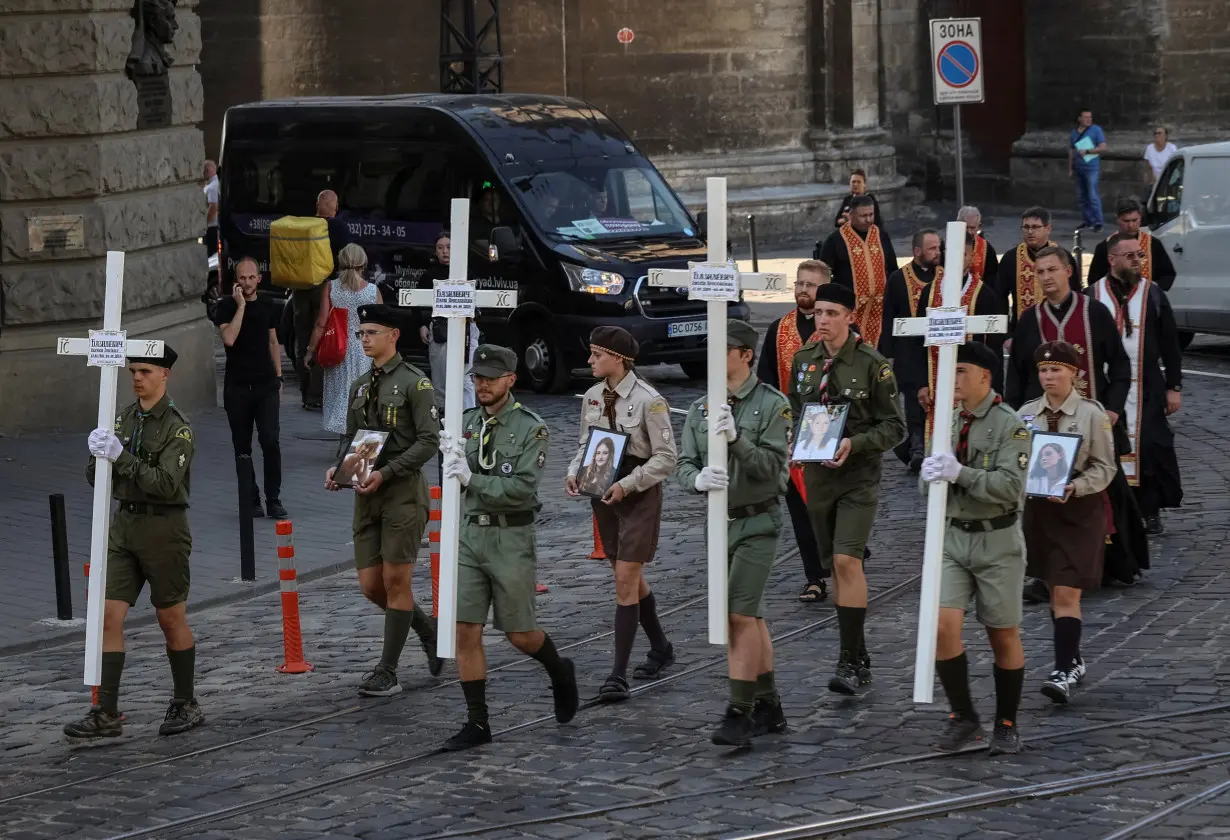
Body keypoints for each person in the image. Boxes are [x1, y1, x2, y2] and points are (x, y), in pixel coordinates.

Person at [436, 345, 579, 750]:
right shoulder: (463, 422)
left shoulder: (531, 428)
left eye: (490, 378)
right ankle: (478, 723)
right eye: (478, 377)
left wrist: (471, 479)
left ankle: (558, 669)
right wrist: (447, 457)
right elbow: (451, 474)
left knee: (520, 634)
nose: (481, 385)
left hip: (510, 537)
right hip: (470, 534)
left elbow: (521, 489)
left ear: (511, 380)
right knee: (466, 629)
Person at [64, 347, 205, 741]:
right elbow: (99, 479)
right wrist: (96, 456)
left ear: (165, 375)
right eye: (133, 372)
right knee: (109, 615)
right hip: (124, 525)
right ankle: (105, 710)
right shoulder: (123, 418)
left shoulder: (178, 428)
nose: (137, 378)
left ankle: (185, 701)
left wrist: (121, 458)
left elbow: (164, 484)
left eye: (144, 371)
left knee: (170, 618)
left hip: (164, 530)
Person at [1005, 245, 1145, 597]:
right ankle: (1046, 572)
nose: (1046, 278)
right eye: (1039, 272)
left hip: (1091, 420)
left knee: (1105, 492)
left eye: (1052, 270)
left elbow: (1121, 366)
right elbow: (1017, 378)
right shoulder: (1028, 321)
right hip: (1044, 427)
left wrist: (1112, 409)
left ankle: (1112, 563)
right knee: (1042, 502)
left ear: (1069, 271)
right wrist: (1016, 421)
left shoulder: (1094, 313)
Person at [677, 320, 791, 746]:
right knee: (751, 616)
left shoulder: (771, 404)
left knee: (738, 616)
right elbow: (684, 464)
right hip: (718, 522)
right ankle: (769, 704)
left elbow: (771, 468)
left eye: (723, 349)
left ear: (745, 354)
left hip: (758, 521)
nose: (714, 357)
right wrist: (697, 479)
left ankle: (739, 711)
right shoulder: (700, 408)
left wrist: (738, 439)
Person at [787, 283, 905, 695]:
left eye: (832, 313)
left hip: (858, 476)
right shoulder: (804, 361)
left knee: (847, 560)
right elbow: (795, 412)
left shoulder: (872, 364)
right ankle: (860, 653)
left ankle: (849, 660)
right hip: (818, 478)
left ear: (850, 316)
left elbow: (895, 426)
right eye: (818, 312)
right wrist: (794, 443)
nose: (822, 320)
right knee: (833, 567)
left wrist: (855, 443)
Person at [324, 304, 442, 695]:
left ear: (394, 335)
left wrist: (386, 473)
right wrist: (339, 469)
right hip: (367, 494)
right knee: (371, 585)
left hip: (402, 492)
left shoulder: (415, 383)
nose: (365, 339)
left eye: (372, 332)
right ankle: (428, 632)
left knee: (396, 580)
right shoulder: (360, 384)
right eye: (361, 333)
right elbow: (352, 437)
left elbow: (428, 441)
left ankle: (387, 671)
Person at [920, 341, 1029, 756]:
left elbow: (1010, 487)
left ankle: (1006, 721)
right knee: (941, 626)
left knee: (1002, 634)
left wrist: (960, 473)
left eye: (961, 370)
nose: (954, 379)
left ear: (985, 376)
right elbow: (931, 481)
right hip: (953, 537)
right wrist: (929, 475)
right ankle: (963, 715)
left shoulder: (1009, 425)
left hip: (997, 540)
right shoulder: (947, 421)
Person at [566, 326, 677, 702]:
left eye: (596, 355)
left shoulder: (650, 400)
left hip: (637, 491)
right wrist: (574, 472)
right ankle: (661, 646)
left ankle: (618, 676)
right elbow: (586, 442)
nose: (590, 361)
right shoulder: (594, 396)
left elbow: (665, 457)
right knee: (625, 574)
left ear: (618, 358)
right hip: (603, 490)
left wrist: (629, 484)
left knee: (626, 578)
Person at [1018, 341, 1116, 704]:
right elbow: (1017, 460)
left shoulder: (1093, 415)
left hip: (1078, 511)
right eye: (1043, 370)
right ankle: (1072, 657)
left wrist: (1076, 486)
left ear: (1074, 374)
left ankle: (1061, 672)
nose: (1048, 377)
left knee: (1066, 589)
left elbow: (1106, 467)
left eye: (1056, 370)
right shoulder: (1026, 413)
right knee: (1053, 584)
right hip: (1041, 513)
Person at [1089, 233, 1184, 535]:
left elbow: (1171, 342)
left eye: (1139, 255)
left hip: (1148, 384)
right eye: (1129, 255)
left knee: (1151, 446)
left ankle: (1150, 509)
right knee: (1109, 447)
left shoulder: (1153, 294)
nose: (1136, 260)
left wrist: (1174, 386)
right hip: (1108, 386)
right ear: (1111, 259)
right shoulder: (1092, 294)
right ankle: (1116, 508)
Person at [757, 260, 830, 603]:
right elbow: (767, 380)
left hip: (829, 430)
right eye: (799, 283)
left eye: (811, 285)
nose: (803, 290)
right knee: (799, 507)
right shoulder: (778, 328)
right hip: (790, 432)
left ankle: (842, 554)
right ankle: (814, 576)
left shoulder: (837, 329)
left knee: (828, 502)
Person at [215, 256, 287, 519]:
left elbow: (272, 341)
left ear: (259, 278)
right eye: (242, 278)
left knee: (270, 440)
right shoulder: (225, 306)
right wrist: (241, 307)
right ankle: (252, 498)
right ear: (236, 280)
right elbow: (229, 339)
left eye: (251, 277)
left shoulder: (268, 304)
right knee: (242, 447)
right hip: (237, 388)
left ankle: (274, 498)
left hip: (265, 385)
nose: (247, 282)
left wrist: (279, 377)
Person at [914, 234, 1009, 426]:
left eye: (963, 254)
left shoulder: (985, 295)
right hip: (935, 385)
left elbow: (993, 346)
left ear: (971, 256)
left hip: (972, 387)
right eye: (952, 253)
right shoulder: (929, 293)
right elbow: (916, 342)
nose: (958, 259)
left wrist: (995, 387)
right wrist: (920, 383)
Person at [879, 229, 942, 472]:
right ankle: (916, 446)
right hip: (908, 353)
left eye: (938, 248)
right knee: (914, 401)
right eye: (932, 249)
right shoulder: (898, 278)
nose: (938, 253)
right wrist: (888, 352)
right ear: (917, 252)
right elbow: (889, 314)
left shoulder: (945, 276)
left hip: (937, 350)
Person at [306, 243, 382, 436]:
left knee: (341, 393)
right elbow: (381, 326)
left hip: (338, 348)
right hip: (366, 349)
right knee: (363, 393)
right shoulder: (372, 291)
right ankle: (359, 434)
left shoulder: (331, 287)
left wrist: (310, 351)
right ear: (363, 263)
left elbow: (321, 323)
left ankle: (344, 435)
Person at [817, 195, 898, 348]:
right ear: (851, 215)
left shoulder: (881, 235)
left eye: (871, 215)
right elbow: (823, 276)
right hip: (849, 311)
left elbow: (892, 268)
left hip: (879, 310)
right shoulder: (835, 240)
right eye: (863, 216)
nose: (868, 220)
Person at [291, 189, 345, 411]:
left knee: (302, 338)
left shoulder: (303, 226)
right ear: (335, 207)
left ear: (317, 204)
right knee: (323, 336)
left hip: (301, 289)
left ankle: (306, 394)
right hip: (326, 287)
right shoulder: (339, 228)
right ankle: (318, 393)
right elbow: (347, 256)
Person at [418, 232, 479, 414]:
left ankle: (467, 417)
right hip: (439, 330)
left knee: (465, 378)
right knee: (440, 379)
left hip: (465, 328)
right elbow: (419, 304)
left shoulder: (467, 272)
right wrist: (422, 324)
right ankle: (444, 420)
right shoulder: (429, 276)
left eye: (449, 247)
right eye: (440, 247)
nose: (445, 251)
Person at [996, 207, 1082, 329]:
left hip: (1059, 329)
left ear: (1048, 229)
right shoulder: (1011, 258)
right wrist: (1006, 333)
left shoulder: (1063, 257)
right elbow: (999, 297)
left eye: (1035, 227)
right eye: (1026, 227)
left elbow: (1075, 294)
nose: (1030, 232)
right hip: (1022, 331)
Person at [1085, 198, 1177, 292]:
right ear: (1118, 219)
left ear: (1140, 218)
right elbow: (1094, 280)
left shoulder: (1153, 244)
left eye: (1134, 220)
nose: (1131, 225)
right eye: (1126, 221)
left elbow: (1168, 274)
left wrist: (1155, 287)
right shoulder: (1104, 247)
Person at [1069, 108, 1108, 232]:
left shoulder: (1096, 130)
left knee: (1092, 195)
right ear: (1079, 119)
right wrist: (1070, 167)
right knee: (1081, 196)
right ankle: (1088, 220)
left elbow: (1103, 147)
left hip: (1092, 168)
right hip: (1079, 167)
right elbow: (1071, 151)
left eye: (1090, 117)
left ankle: (1098, 222)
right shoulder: (1074, 133)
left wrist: (1088, 151)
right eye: (1085, 117)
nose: (1088, 120)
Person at [956, 206, 999, 284]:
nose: (969, 232)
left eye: (972, 228)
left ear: (979, 227)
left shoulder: (987, 249)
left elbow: (992, 280)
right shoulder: (947, 246)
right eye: (966, 227)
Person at [202, 159, 219, 258]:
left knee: (210, 256)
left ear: (207, 170)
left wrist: (204, 224)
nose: (202, 174)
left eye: (203, 171)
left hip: (211, 228)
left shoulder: (212, 187)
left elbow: (213, 208)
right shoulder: (214, 184)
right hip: (213, 227)